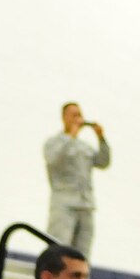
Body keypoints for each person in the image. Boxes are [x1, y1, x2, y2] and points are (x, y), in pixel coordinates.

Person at [43, 101, 108, 256]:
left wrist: (101, 139)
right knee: (58, 249)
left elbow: (103, 162)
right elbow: (53, 160)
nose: (78, 118)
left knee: (82, 255)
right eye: (73, 115)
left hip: (85, 205)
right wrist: (70, 136)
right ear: (64, 117)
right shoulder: (53, 143)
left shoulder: (84, 147)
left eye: (79, 115)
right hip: (64, 204)